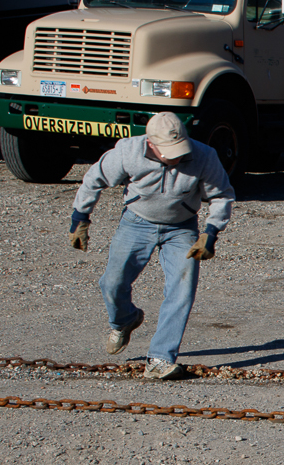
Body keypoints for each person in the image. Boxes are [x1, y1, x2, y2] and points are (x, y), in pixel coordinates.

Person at [69, 111, 235, 379]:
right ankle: (124, 320)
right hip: (136, 223)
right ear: (151, 144)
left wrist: (211, 232)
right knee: (112, 283)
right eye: (170, 151)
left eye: (180, 149)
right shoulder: (128, 151)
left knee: (182, 290)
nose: (177, 156)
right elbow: (94, 179)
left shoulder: (204, 155)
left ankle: (160, 358)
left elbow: (222, 195)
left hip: (181, 228)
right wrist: (80, 217)